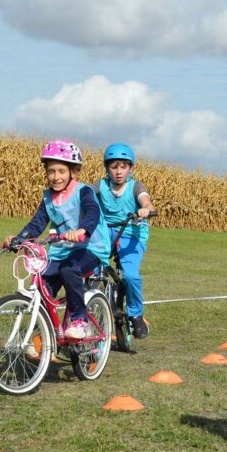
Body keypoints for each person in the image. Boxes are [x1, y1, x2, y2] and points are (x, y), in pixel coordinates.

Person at [4, 139, 110, 340]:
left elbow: (92, 212)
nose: (56, 177)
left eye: (61, 171)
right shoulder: (48, 198)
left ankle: (81, 321)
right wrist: (19, 239)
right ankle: (45, 333)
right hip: (61, 250)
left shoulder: (83, 191)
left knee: (69, 269)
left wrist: (82, 230)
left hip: (90, 247)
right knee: (42, 284)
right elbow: (37, 223)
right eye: (51, 171)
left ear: (73, 172)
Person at [93, 143, 155, 339]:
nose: (118, 172)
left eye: (123, 166)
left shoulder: (136, 186)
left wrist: (145, 209)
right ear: (107, 168)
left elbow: (146, 200)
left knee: (129, 276)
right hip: (105, 232)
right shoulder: (100, 185)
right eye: (114, 166)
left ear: (130, 168)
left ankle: (136, 314)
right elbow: (82, 196)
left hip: (131, 233)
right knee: (91, 270)